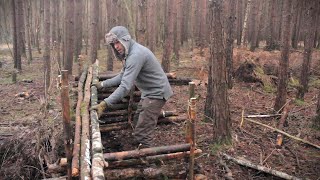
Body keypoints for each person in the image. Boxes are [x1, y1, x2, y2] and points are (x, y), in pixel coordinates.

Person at [91, 26, 173, 148]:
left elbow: (125, 87)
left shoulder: (136, 55)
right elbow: (122, 76)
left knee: (143, 131)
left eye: (118, 42)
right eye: (114, 44)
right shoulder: (130, 54)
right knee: (136, 121)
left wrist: (105, 103)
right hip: (149, 93)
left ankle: (147, 160)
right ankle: (139, 147)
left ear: (126, 40)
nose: (116, 46)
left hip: (157, 93)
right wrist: (102, 84)